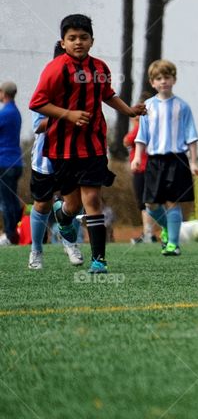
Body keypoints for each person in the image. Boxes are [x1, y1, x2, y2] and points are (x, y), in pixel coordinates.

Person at [29, 14, 147, 274]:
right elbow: (36, 103)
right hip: (62, 148)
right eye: (72, 38)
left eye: (83, 37)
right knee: (73, 205)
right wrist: (68, 114)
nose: (78, 42)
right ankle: (62, 215)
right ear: (63, 42)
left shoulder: (100, 68)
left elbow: (108, 94)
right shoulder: (55, 69)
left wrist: (129, 111)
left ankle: (99, 261)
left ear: (92, 41)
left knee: (93, 198)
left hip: (93, 144)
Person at [132, 60, 198, 257]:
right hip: (154, 161)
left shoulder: (182, 107)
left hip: (177, 160)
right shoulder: (148, 106)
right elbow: (141, 135)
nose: (163, 82)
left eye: (167, 77)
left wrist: (194, 161)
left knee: (173, 202)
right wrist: (137, 157)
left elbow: (192, 136)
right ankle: (167, 228)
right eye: (159, 78)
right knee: (150, 205)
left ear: (174, 80)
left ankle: (173, 244)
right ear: (152, 82)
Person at [27, 43, 84, 270]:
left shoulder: (84, 90)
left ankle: (70, 242)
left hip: (74, 154)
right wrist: (66, 116)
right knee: (41, 204)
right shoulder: (45, 90)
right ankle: (36, 251)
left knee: (75, 204)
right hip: (46, 156)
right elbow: (38, 126)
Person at [125, 90, 158, 244]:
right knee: (147, 202)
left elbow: (127, 140)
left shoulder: (141, 126)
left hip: (143, 169)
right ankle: (148, 233)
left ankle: (149, 233)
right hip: (145, 167)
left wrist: (136, 122)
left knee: (145, 202)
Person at [0, 80, 24, 245]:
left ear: (3, 93)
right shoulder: (15, 112)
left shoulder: (5, 113)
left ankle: (10, 235)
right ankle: (13, 232)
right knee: (12, 199)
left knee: (6, 201)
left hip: (4, 162)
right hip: (16, 162)